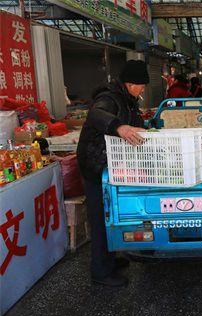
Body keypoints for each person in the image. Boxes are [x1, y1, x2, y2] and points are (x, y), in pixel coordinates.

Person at [77, 60, 149, 287]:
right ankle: (100, 271)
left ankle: (109, 259)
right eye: (141, 84)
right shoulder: (108, 99)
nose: (143, 89)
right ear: (129, 83)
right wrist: (119, 127)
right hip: (95, 166)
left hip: (111, 167)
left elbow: (134, 122)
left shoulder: (128, 100)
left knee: (111, 215)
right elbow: (96, 115)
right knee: (100, 218)